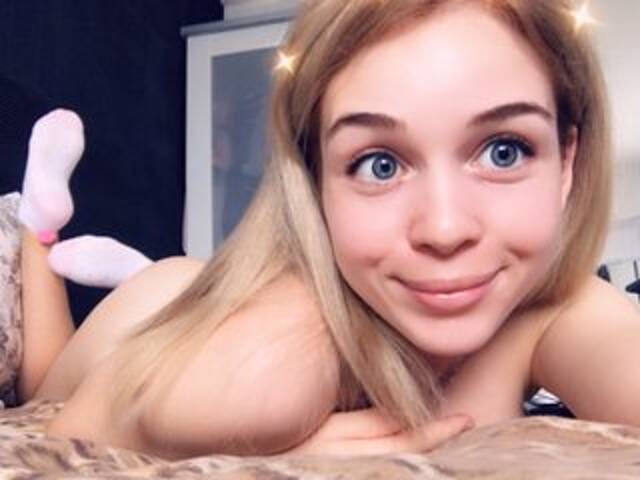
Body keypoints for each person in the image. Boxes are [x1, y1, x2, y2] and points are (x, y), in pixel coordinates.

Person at [16, 0, 640, 461]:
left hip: (199, 308)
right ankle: (37, 219)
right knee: (41, 380)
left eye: (504, 151)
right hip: (165, 299)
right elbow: (64, 427)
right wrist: (264, 457)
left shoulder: (556, 311)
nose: (445, 228)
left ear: (567, 163)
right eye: (380, 164)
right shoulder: (281, 352)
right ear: (316, 183)